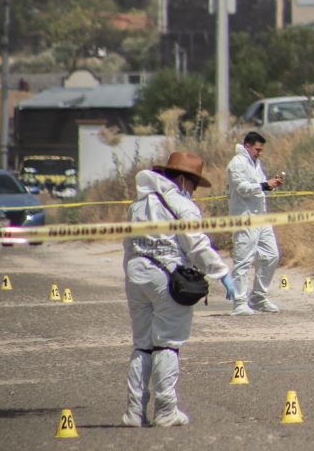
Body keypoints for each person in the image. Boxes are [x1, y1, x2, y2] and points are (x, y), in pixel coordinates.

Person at [122, 151, 235, 427]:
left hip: (135, 275)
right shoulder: (180, 204)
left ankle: (134, 412)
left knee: (142, 346)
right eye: (194, 185)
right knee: (167, 345)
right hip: (167, 277)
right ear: (183, 179)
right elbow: (196, 245)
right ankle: (165, 411)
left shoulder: (137, 205)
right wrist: (221, 273)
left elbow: (128, 245)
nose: (194, 192)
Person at [227, 131, 285, 316]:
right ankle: (239, 302)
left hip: (261, 217)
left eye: (261, 150)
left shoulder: (255, 163)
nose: (259, 153)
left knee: (271, 255)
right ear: (247, 146)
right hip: (245, 217)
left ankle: (258, 297)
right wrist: (264, 185)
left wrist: (271, 185)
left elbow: (261, 188)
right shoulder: (237, 163)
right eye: (257, 149)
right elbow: (243, 188)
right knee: (243, 260)